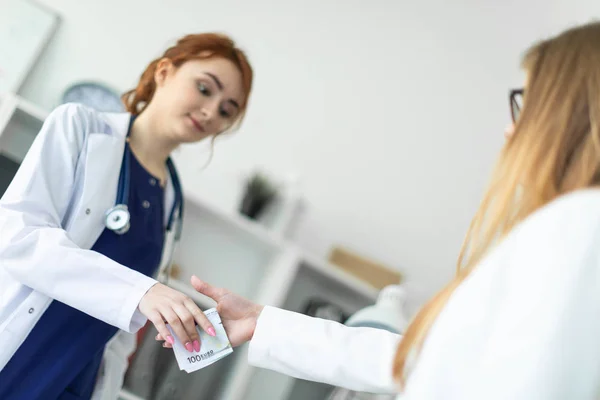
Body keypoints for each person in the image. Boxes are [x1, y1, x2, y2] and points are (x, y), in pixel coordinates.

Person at [160, 21, 600, 399]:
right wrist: (263, 323)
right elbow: (423, 358)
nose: (510, 128)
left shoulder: (577, 227)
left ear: (572, 115)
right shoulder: (569, 228)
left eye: (528, 103)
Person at [0, 33, 253, 399]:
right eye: (204, 88)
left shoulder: (171, 200)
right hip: (20, 357)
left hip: (76, 383)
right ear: (165, 72)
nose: (211, 112)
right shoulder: (81, 128)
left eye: (227, 110)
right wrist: (141, 292)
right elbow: (18, 237)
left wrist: (198, 333)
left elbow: (121, 333)